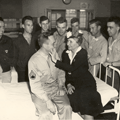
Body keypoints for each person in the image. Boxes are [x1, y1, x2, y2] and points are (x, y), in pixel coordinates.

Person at [49, 31, 103, 120]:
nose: (67, 44)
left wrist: (56, 62)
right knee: (73, 100)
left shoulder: (82, 53)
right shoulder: (65, 53)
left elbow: (72, 68)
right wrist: (68, 84)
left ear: (78, 43)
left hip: (86, 83)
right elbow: (67, 72)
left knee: (86, 100)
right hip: (74, 84)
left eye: (71, 42)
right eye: (67, 41)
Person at [28, 32, 72, 120]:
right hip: (41, 91)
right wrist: (47, 100)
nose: (55, 45)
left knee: (67, 107)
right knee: (45, 114)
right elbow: (35, 85)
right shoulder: (33, 61)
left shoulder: (54, 53)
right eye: (53, 43)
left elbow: (61, 71)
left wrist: (60, 86)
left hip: (55, 87)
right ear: (44, 45)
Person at [14, 16, 36, 82]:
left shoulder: (35, 39)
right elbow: (14, 58)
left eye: (32, 25)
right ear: (23, 26)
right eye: (28, 25)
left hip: (34, 70)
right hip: (22, 71)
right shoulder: (17, 41)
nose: (31, 27)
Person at [103, 16, 120, 91]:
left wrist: (111, 64)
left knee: (116, 94)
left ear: (118, 28)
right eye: (107, 27)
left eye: (111, 27)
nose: (107, 30)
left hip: (117, 71)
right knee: (108, 90)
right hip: (109, 70)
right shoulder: (109, 39)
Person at [0, 17, 15, 83]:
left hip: (6, 72)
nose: (2, 29)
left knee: (6, 91)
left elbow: (12, 55)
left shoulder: (8, 40)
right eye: (0, 27)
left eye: (3, 27)